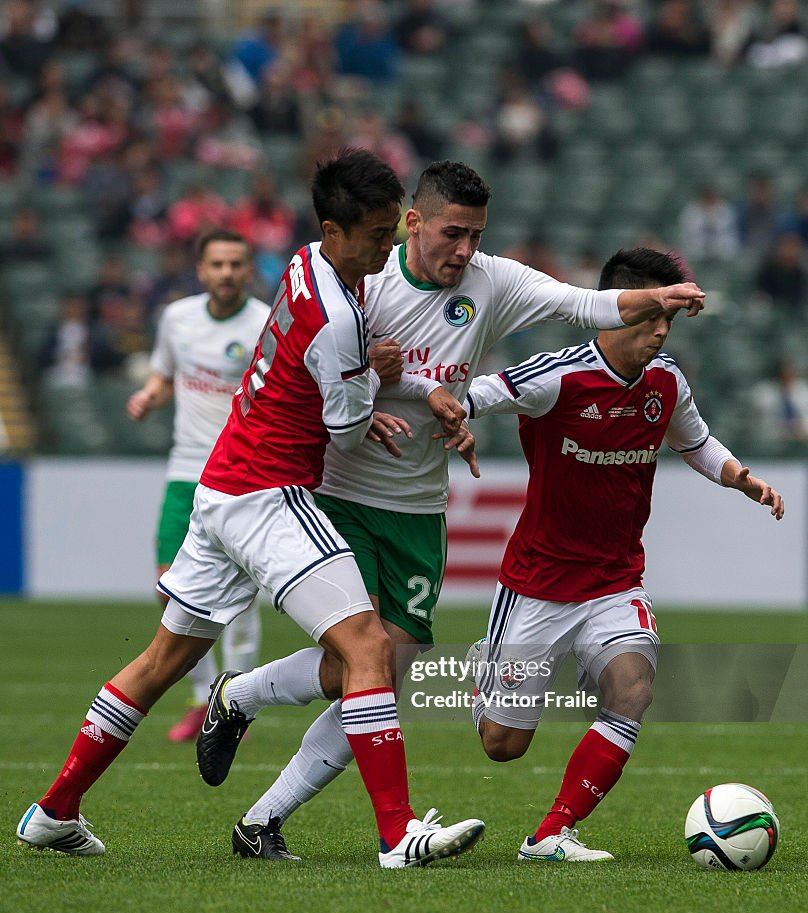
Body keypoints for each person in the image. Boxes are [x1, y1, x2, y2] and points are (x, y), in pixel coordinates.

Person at [197, 162, 708, 860]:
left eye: (475, 236)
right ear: (413, 222)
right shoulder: (364, 277)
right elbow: (315, 372)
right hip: (342, 493)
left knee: (379, 670)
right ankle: (359, 827)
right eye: (452, 234)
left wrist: (659, 296)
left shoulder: (492, 281)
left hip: (418, 505)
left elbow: (582, 307)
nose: (463, 250)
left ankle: (247, 731)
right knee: (365, 659)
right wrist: (397, 383)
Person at [16, 148, 485, 869]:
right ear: (333, 229)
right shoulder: (339, 317)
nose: (386, 246)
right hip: (270, 495)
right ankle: (398, 838)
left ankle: (54, 811)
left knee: (161, 660)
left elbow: (329, 394)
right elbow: (343, 428)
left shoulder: (301, 265)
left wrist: (366, 388)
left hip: (222, 488)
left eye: (394, 229)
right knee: (369, 648)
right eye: (374, 233)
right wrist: (376, 381)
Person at [462, 247, 783, 862]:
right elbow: (478, 392)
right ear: (615, 311)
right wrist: (455, 415)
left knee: (633, 690)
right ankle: (489, 674)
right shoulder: (558, 377)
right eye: (650, 316)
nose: (661, 331)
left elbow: (697, 442)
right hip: (539, 583)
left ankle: (551, 834)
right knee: (503, 745)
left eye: (668, 320)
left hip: (616, 581)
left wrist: (742, 478)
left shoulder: (666, 383)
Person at [126, 229, 271, 742]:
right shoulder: (177, 318)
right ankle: (203, 699)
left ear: (249, 268)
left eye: (236, 263)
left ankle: (238, 706)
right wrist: (148, 395)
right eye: (218, 264)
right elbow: (165, 375)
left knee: (240, 599)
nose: (227, 272)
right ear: (201, 268)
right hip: (184, 472)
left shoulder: (263, 323)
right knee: (172, 591)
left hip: (239, 474)